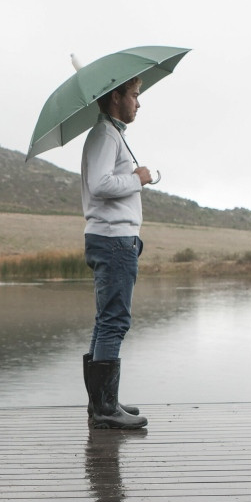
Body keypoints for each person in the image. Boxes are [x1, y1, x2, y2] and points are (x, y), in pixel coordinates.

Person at [81, 77, 149, 430]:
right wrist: (139, 179)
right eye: (135, 95)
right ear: (116, 96)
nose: (139, 103)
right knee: (114, 321)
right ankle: (105, 409)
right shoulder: (106, 135)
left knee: (105, 319)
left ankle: (102, 404)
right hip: (113, 241)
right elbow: (101, 184)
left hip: (112, 239)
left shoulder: (110, 134)